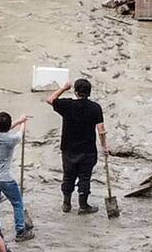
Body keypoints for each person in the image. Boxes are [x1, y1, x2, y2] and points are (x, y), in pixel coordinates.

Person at [45, 78, 107, 215]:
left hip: (68, 149)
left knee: (68, 176)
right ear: (89, 92)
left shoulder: (67, 105)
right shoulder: (95, 107)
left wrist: (63, 88)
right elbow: (101, 130)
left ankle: (66, 204)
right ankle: (83, 206)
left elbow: (50, 99)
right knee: (85, 177)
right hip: (88, 150)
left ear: (76, 92)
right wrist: (104, 147)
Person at [0, 111, 33, 242]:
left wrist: (18, 121)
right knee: (17, 203)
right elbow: (20, 133)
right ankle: (20, 231)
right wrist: (22, 122)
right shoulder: (12, 140)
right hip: (5, 178)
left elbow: (5, 129)